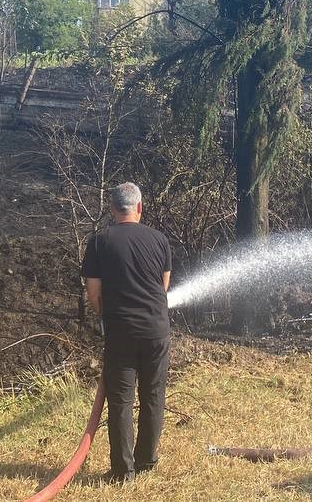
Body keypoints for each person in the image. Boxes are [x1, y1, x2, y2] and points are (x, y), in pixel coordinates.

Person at [80, 182, 173, 484]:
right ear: (139, 207)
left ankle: (123, 472)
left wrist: (106, 315)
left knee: (120, 401)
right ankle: (146, 460)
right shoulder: (159, 240)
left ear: (112, 209)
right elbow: (163, 286)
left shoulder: (99, 242)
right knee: (153, 395)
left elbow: (94, 293)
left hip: (120, 332)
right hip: (156, 331)